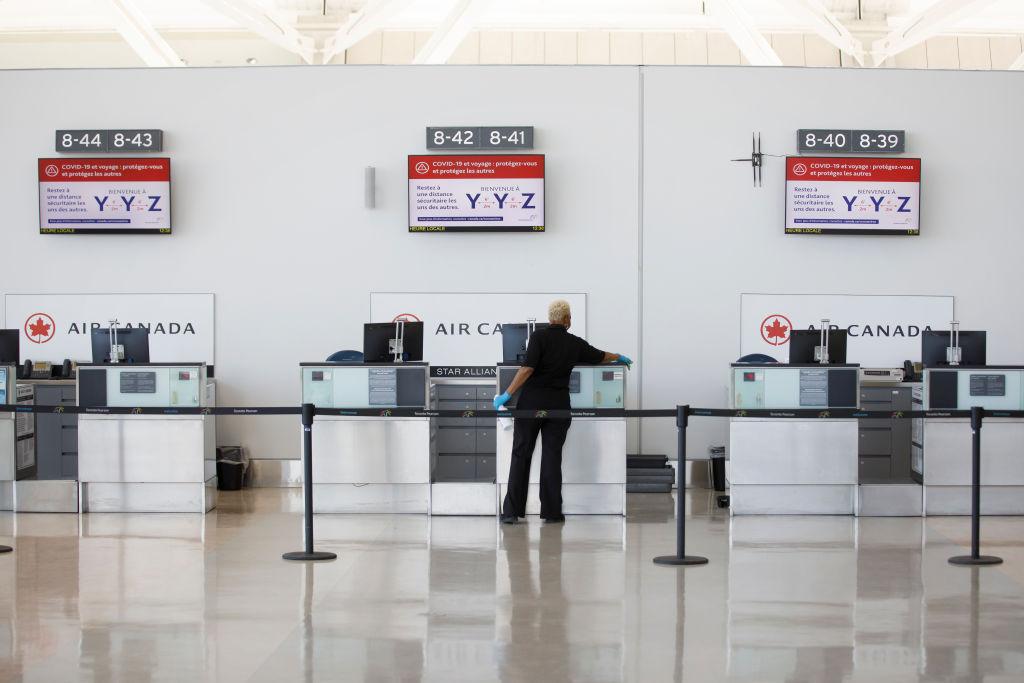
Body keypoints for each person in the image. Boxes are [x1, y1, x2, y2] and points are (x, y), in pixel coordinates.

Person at [493, 299, 632, 524]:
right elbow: (599, 355)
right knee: (551, 456)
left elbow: (527, 369)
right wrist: (619, 356)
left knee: (521, 454)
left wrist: (507, 394)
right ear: (567, 319)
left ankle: (511, 512)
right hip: (558, 406)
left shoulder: (538, 337)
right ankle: (552, 512)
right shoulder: (574, 343)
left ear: (550, 318)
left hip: (531, 405)